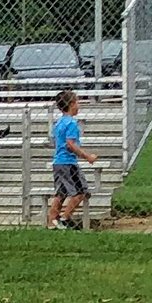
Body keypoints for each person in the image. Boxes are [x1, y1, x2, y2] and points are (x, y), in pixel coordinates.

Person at [47, 89, 98, 230]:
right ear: (71, 104)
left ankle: (52, 221)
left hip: (58, 162)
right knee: (81, 191)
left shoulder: (59, 123)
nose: (79, 105)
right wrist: (87, 156)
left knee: (61, 193)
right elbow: (70, 144)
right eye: (77, 102)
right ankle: (65, 218)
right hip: (68, 163)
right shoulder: (71, 124)